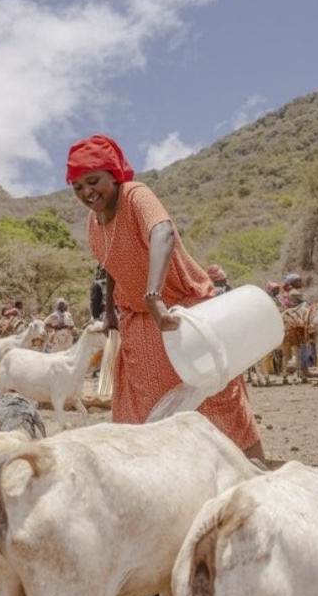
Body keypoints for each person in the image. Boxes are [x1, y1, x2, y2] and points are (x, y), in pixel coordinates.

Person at [66, 134, 264, 460]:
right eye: (77, 187)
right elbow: (112, 262)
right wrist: (111, 309)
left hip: (181, 312)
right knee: (145, 403)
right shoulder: (94, 221)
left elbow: (162, 231)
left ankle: (256, 475)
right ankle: (167, 477)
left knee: (215, 395)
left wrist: (154, 296)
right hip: (138, 322)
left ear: (113, 174)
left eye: (93, 181)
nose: (87, 192)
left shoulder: (135, 196)